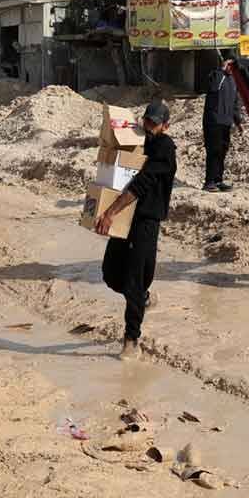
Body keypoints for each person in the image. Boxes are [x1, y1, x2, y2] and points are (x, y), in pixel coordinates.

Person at [96, 100, 177, 360]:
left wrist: (110, 212)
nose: (149, 126)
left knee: (134, 278)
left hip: (145, 220)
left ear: (165, 125)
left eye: (155, 123)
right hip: (125, 216)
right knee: (110, 273)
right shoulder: (138, 142)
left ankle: (131, 340)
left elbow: (142, 182)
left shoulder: (165, 148)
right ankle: (141, 298)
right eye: (147, 121)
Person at [202, 56, 244, 193]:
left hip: (226, 123)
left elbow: (235, 104)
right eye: (230, 65)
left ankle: (218, 180)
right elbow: (213, 86)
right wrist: (222, 69)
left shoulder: (234, 81)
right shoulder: (217, 76)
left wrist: (238, 122)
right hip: (213, 121)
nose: (232, 69)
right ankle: (209, 182)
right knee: (213, 151)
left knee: (222, 152)